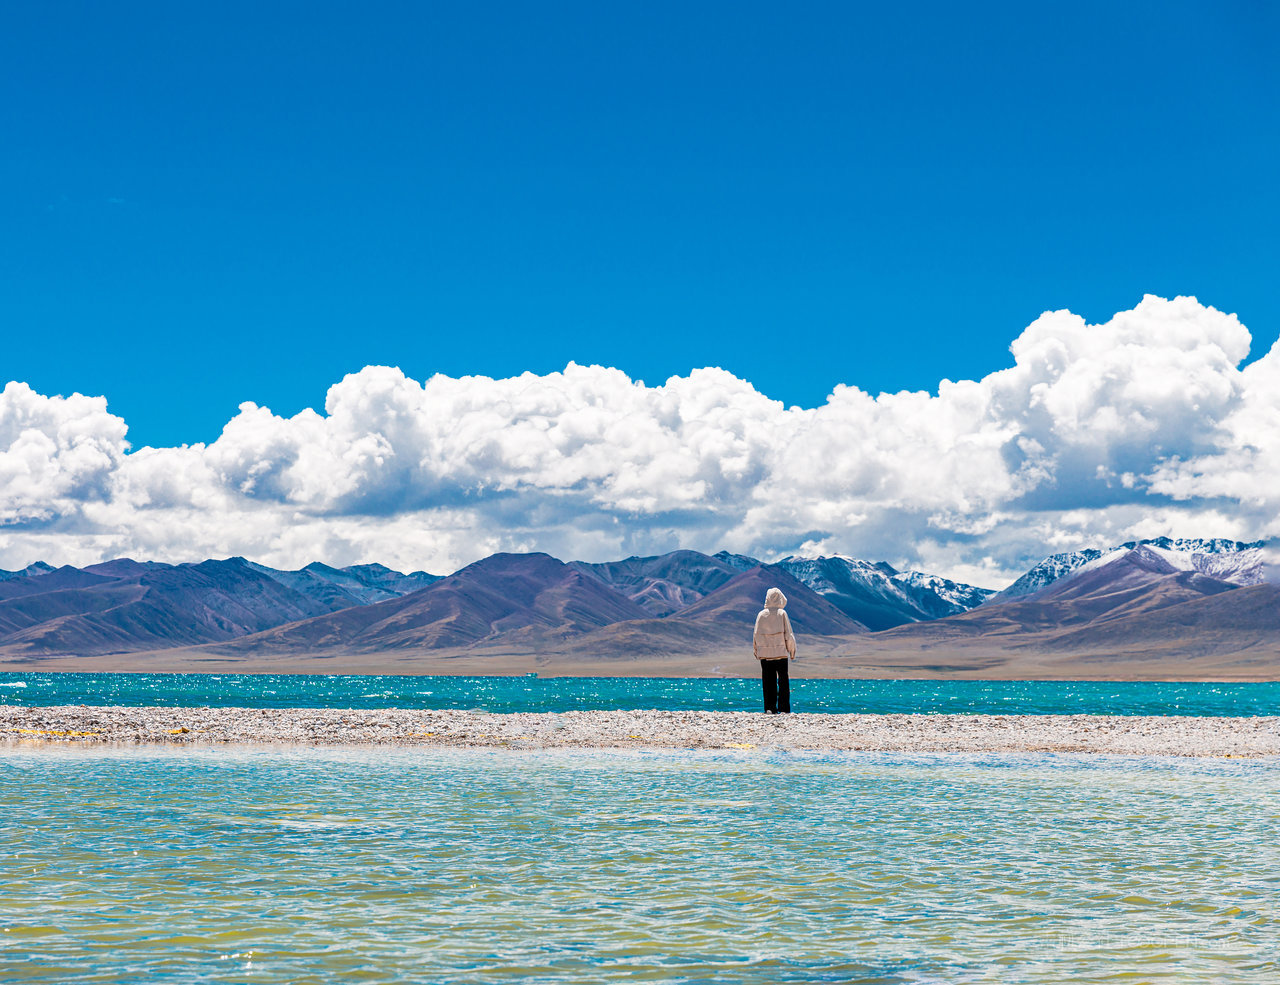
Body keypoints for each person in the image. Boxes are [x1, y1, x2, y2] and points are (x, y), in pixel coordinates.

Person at [753, 587, 796, 713]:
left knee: (768, 682)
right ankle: (784, 708)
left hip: (765, 656)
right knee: (783, 682)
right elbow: (789, 635)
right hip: (781, 654)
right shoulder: (782, 614)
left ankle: (769, 708)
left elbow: (756, 634)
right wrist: (792, 651)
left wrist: (757, 651)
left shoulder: (761, 614)